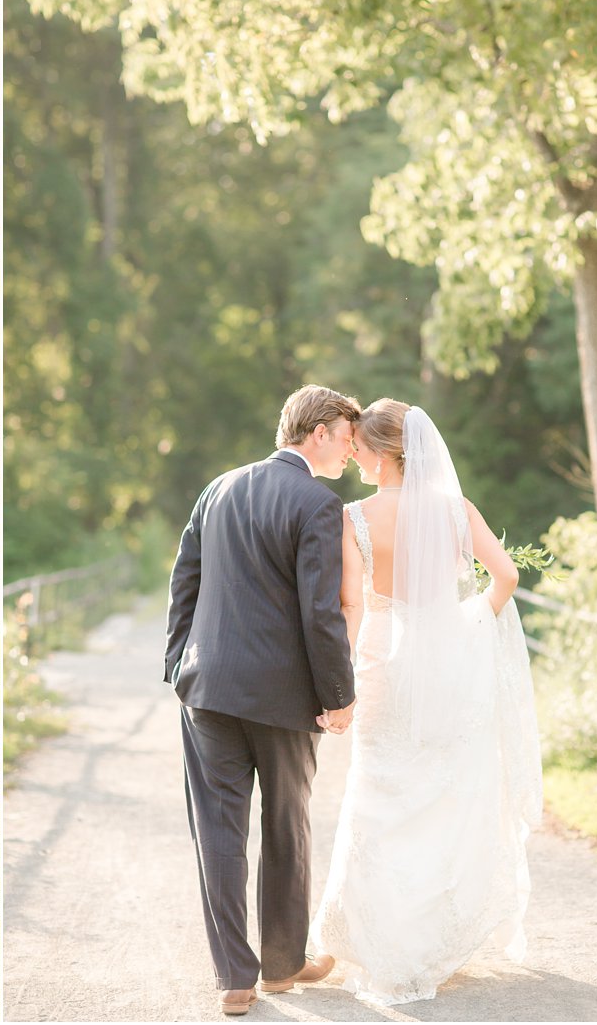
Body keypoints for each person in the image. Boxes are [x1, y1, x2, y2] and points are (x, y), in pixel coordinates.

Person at [313, 399, 543, 1006]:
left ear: (386, 452)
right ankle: (425, 937)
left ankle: (371, 937)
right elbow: (508, 578)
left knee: (378, 790)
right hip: (448, 658)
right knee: (439, 789)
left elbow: (351, 604)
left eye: (360, 444)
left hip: (382, 656)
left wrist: (339, 681)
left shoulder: (354, 517)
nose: (353, 452)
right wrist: (468, 627)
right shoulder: (455, 511)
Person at [165, 384, 360, 1017]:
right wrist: (338, 696)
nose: (352, 452)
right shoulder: (317, 503)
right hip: (284, 701)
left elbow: (184, 581)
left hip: (208, 692)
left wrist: (177, 664)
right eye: (347, 437)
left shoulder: (216, 488)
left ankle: (235, 978)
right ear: (318, 431)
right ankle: (282, 965)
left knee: (217, 833)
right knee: (286, 828)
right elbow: (321, 614)